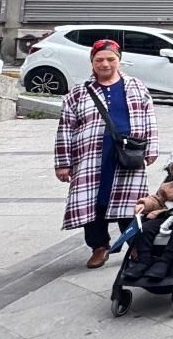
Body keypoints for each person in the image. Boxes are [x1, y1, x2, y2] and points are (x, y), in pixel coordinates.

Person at [55, 40, 157, 268]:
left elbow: (150, 118)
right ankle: (99, 246)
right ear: (92, 62)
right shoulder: (79, 93)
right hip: (90, 157)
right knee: (93, 202)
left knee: (131, 203)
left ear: (119, 61)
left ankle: (134, 246)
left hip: (127, 154)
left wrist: (151, 149)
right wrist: (63, 163)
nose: (105, 64)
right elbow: (65, 128)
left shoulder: (136, 86)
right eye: (99, 59)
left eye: (111, 59)